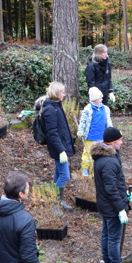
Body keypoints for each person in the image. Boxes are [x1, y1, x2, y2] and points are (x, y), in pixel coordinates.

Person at [92, 127, 130, 263]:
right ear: (113, 143)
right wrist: (121, 208)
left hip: (105, 204)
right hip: (111, 206)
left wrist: (125, 193)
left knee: (106, 234)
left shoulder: (106, 157)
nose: (121, 142)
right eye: (119, 140)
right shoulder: (108, 162)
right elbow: (111, 188)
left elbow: (116, 183)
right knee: (113, 238)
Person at [41, 81, 75, 211]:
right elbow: (52, 133)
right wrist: (61, 150)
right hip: (58, 148)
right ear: (56, 93)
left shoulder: (56, 106)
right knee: (65, 175)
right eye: (62, 92)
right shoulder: (50, 109)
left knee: (58, 174)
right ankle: (56, 202)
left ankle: (54, 199)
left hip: (62, 146)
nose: (64, 94)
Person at [77, 87, 113, 177]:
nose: (102, 99)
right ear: (94, 99)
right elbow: (83, 121)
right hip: (90, 136)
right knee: (87, 153)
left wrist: (111, 131)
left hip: (102, 137)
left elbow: (108, 122)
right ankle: (85, 168)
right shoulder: (88, 109)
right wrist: (80, 130)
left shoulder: (105, 109)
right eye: (100, 97)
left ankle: (96, 169)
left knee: (100, 153)